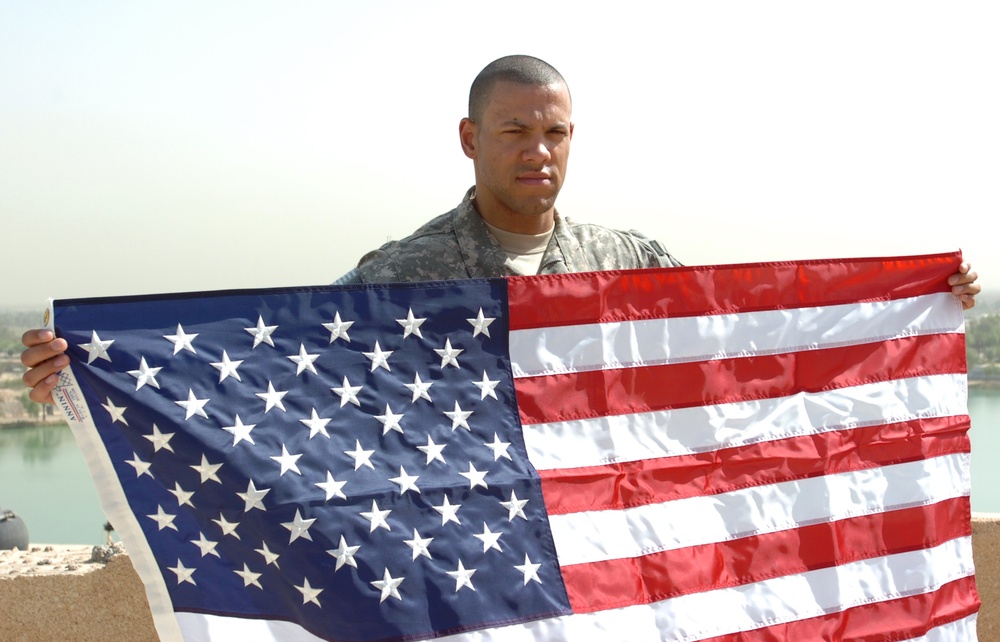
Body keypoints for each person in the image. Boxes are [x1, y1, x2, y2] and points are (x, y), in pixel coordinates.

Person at [20, 55, 982, 403]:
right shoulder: (404, 272)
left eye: (556, 131)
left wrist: (915, 310)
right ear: (470, 138)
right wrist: (96, 368)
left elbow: (743, 343)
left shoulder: (629, 260)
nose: (539, 151)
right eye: (516, 131)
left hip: (618, 562)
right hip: (478, 579)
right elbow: (283, 374)